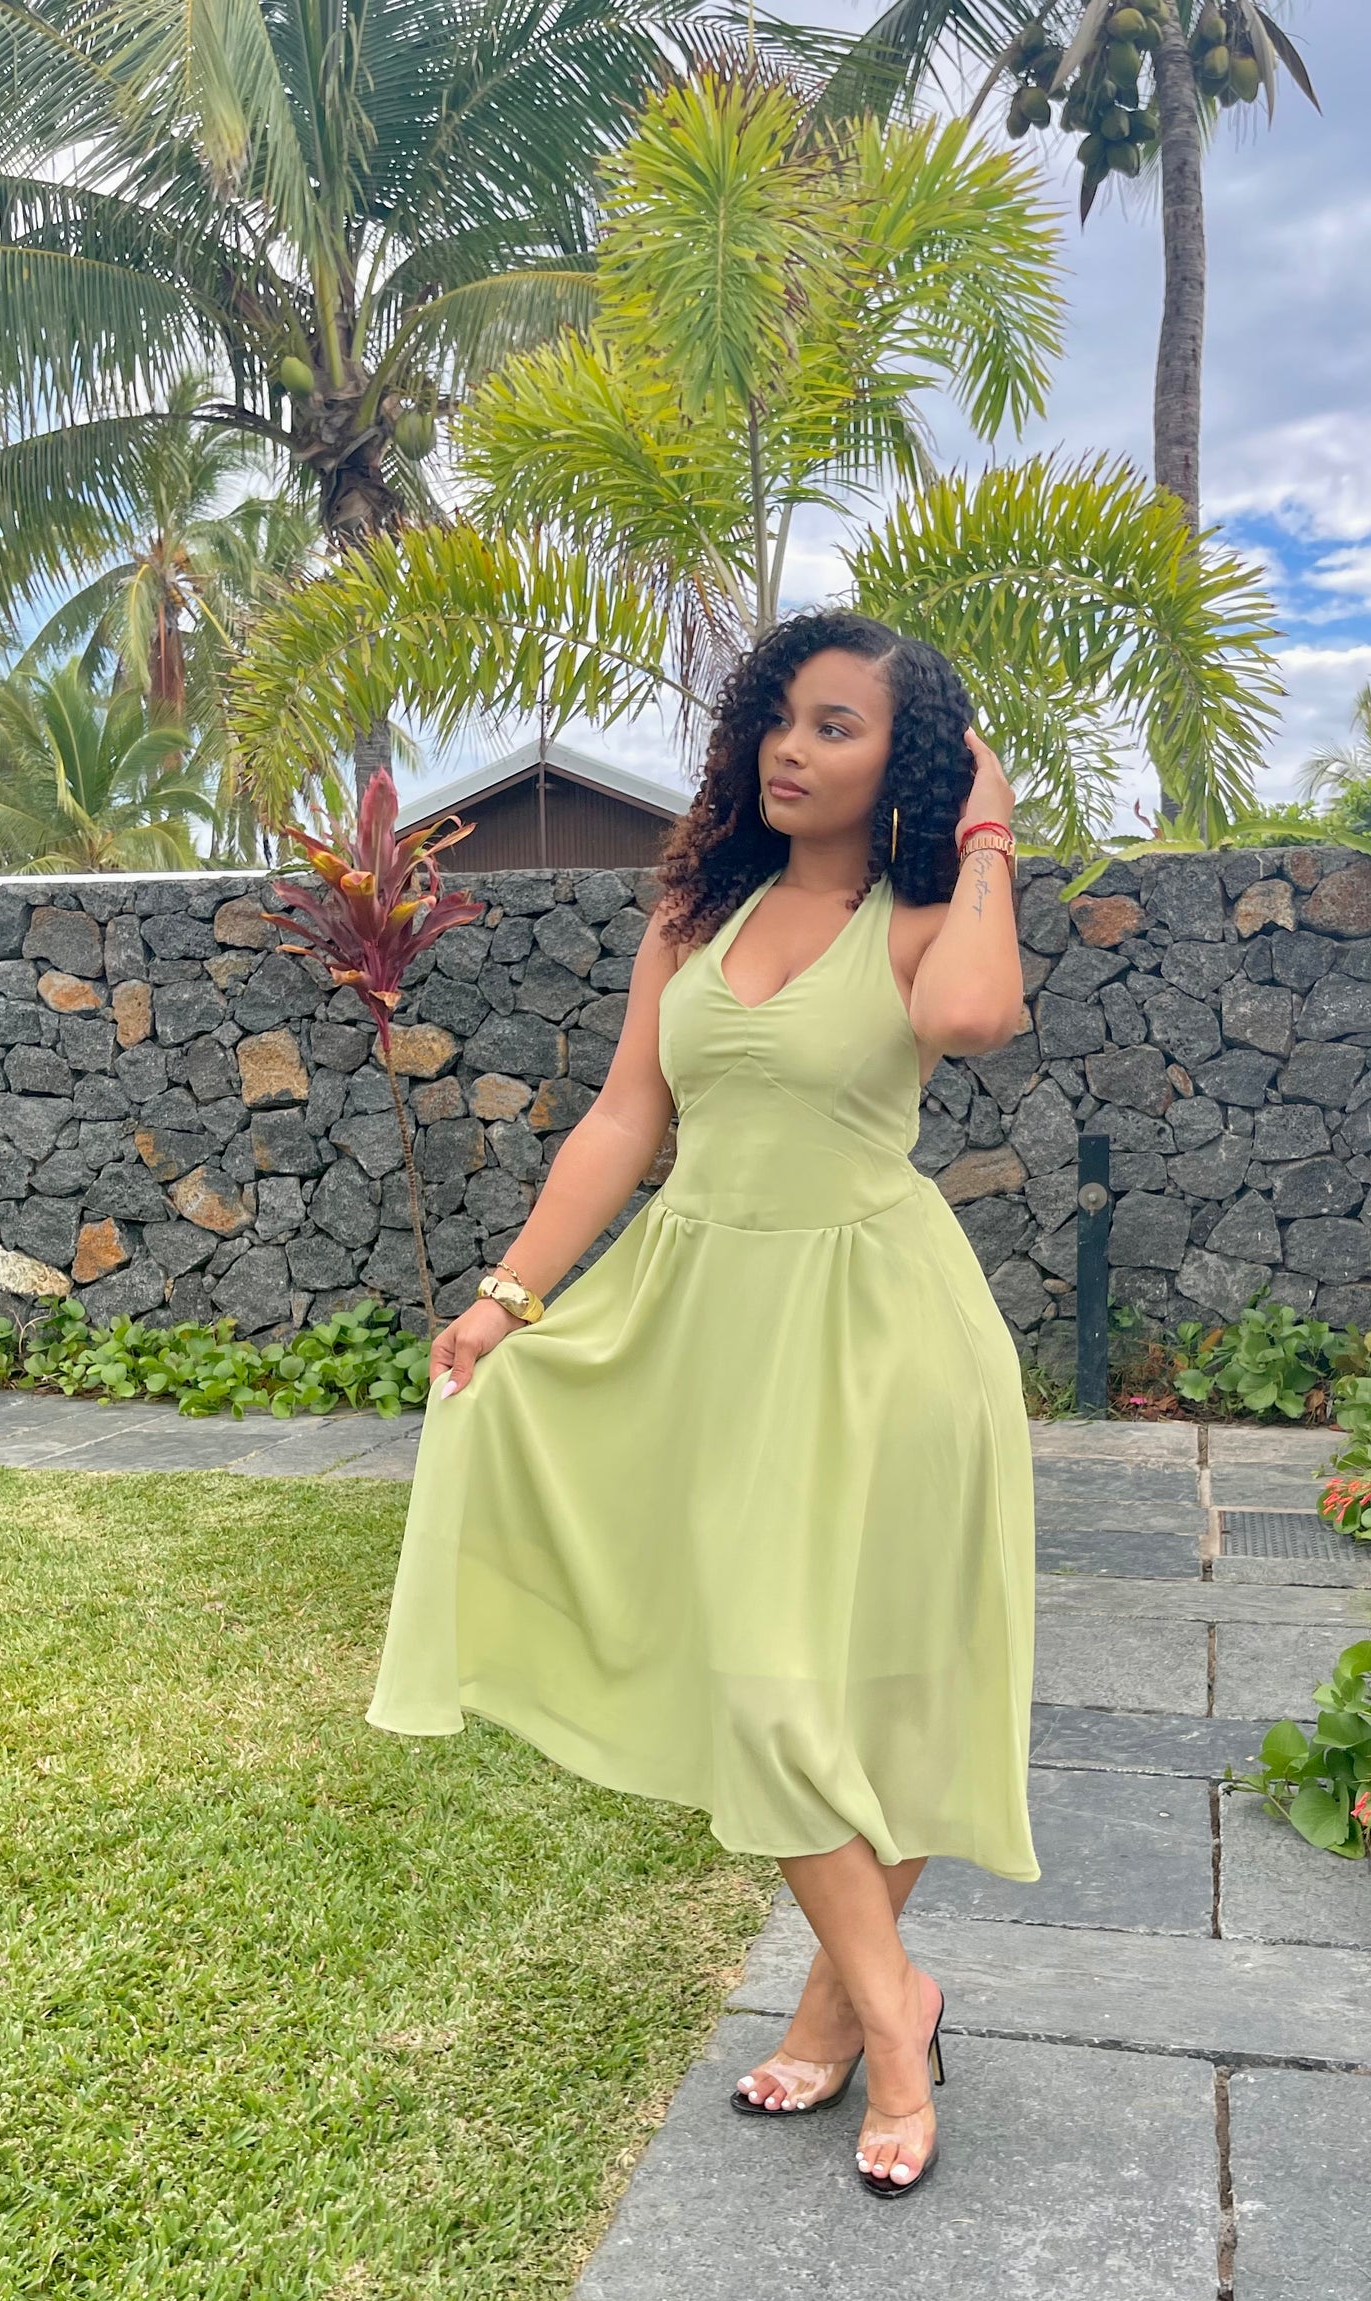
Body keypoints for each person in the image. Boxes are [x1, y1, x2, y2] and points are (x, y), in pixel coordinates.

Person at [368, 607, 1038, 2201]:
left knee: (892, 1691)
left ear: (905, 758)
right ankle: (896, 2007)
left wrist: (987, 832)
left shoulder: (919, 921)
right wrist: (510, 1292)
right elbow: (624, 1119)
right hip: (714, 1323)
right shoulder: (695, 915)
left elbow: (968, 1019)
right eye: (778, 719)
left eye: (835, 726)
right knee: (761, 1683)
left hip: (886, 1335)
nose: (790, 750)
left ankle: (846, 2016)